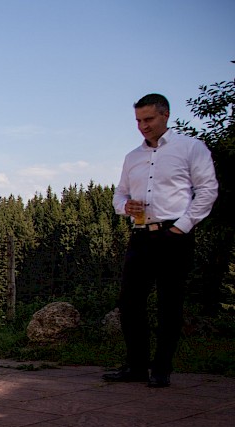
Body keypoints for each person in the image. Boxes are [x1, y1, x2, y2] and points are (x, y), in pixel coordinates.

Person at [104, 93, 218, 388]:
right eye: (138, 121)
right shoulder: (133, 157)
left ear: (165, 115)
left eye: (149, 119)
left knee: (170, 303)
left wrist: (182, 227)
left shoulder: (191, 148)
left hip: (175, 236)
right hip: (140, 236)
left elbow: (207, 190)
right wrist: (124, 206)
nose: (143, 126)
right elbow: (120, 194)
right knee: (130, 303)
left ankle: (162, 369)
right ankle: (137, 367)